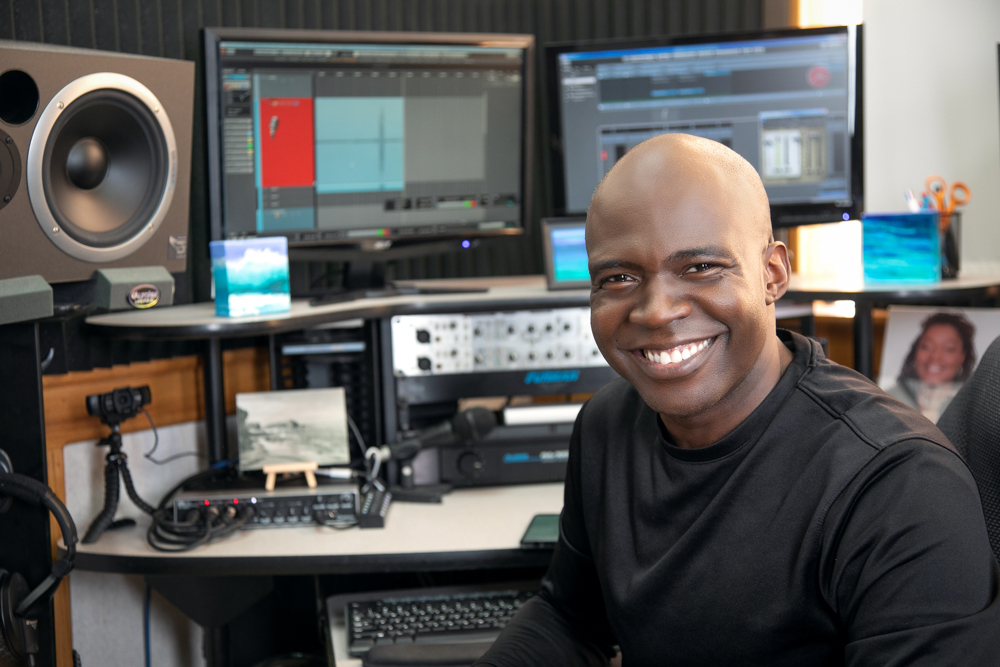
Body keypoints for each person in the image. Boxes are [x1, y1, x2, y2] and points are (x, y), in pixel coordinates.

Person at [475, 134, 999, 666]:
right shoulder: (605, 423)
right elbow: (569, 617)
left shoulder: (897, 481)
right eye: (619, 277)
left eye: (700, 267)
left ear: (772, 274)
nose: (656, 312)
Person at [887, 312, 977, 422]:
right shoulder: (888, 399)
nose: (935, 356)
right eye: (926, 346)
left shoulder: (972, 407)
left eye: (948, 349)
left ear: (962, 357)